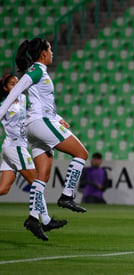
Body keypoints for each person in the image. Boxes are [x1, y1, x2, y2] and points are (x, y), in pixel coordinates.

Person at [0, 38, 89, 241]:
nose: (52, 52)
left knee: (42, 176)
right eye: (50, 49)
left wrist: (58, 118)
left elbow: (42, 104)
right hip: (40, 123)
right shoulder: (36, 71)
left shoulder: (41, 73)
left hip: (37, 124)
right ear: (42, 53)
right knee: (81, 153)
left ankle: (34, 218)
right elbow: (15, 91)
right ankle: (67, 195)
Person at [0, 73, 67, 232]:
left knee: (3, 189)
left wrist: (58, 119)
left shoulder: (23, 99)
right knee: (37, 182)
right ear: (5, 87)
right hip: (15, 147)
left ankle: (45, 220)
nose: (16, 85)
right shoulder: (3, 105)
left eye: (17, 82)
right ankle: (45, 220)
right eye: (11, 83)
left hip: (16, 147)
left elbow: (40, 111)